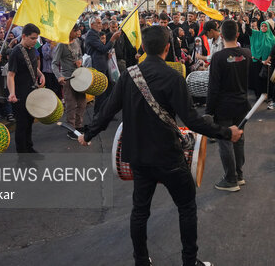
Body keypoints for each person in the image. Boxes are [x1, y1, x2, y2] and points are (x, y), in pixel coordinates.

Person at [79, 26, 242, 266]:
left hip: (138, 157)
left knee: (140, 211)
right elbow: (193, 121)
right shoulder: (173, 77)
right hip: (169, 157)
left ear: (143, 47)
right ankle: (189, 261)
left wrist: (88, 133)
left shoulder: (128, 75)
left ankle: (141, 261)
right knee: (186, 207)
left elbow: (106, 112)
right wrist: (227, 132)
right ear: (168, 48)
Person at [205, 20, 251, 192]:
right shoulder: (247, 53)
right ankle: (239, 175)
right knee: (239, 139)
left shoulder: (218, 57)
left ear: (222, 35)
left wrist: (208, 112)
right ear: (237, 34)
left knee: (225, 141)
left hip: (223, 106)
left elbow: (213, 88)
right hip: (242, 104)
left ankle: (231, 179)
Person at [7, 23, 45, 154]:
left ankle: (29, 148)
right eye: (33, 38)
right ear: (24, 36)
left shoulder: (31, 49)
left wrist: (40, 74)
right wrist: (12, 93)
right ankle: (22, 154)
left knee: (29, 122)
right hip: (20, 94)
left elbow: (32, 66)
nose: (35, 41)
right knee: (22, 125)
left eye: (36, 38)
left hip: (31, 91)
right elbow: (10, 74)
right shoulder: (16, 52)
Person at [52, 24, 85, 140]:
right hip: (67, 78)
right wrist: (59, 76)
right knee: (71, 104)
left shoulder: (77, 42)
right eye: (75, 31)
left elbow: (81, 55)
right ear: (69, 31)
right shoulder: (61, 45)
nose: (77, 33)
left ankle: (79, 126)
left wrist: (80, 61)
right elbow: (54, 63)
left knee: (81, 102)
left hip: (79, 77)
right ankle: (71, 129)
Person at [85, 16, 121, 118]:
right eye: (98, 23)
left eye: (100, 22)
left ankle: (105, 113)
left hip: (103, 64)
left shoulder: (95, 34)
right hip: (98, 66)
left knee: (107, 90)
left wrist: (106, 55)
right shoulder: (91, 35)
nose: (100, 25)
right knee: (101, 92)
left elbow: (100, 50)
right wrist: (113, 38)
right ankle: (98, 114)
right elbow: (102, 48)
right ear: (92, 25)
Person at [250, 21, 275, 98]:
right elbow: (249, 31)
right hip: (257, 61)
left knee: (267, 79)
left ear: (268, 27)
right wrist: (247, 22)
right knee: (258, 78)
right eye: (262, 26)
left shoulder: (272, 38)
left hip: (268, 62)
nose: (263, 28)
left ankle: (268, 95)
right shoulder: (256, 34)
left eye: (265, 26)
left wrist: (269, 59)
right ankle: (259, 95)